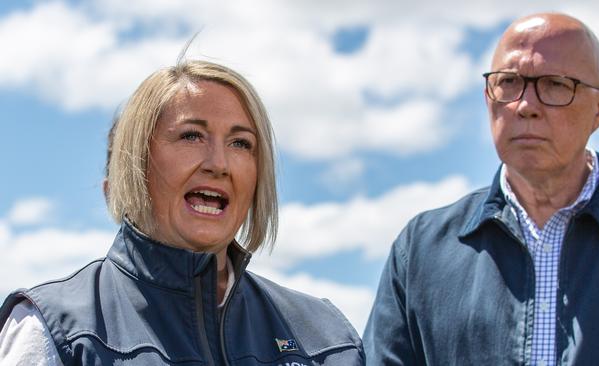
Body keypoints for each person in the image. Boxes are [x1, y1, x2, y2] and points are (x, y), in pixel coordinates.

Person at [0, 60, 364, 365]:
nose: (219, 163)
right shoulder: (55, 327)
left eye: (240, 143)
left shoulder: (328, 337)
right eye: (192, 136)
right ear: (137, 162)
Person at [363, 12, 599, 366]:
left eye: (556, 84)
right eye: (509, 82)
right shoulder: (421, 251)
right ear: (488, 96)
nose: (526, 106)